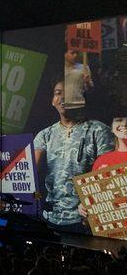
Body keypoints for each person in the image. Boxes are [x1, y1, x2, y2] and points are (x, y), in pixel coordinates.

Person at [34, 79, 113, 230]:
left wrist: (91, 202)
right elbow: (30, 173)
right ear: (52, 101)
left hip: (85, 220)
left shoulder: (99, 130)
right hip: (49, 218)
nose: (63, 98)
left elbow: (107, 174)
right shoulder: (45, 135)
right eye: (58, 93)